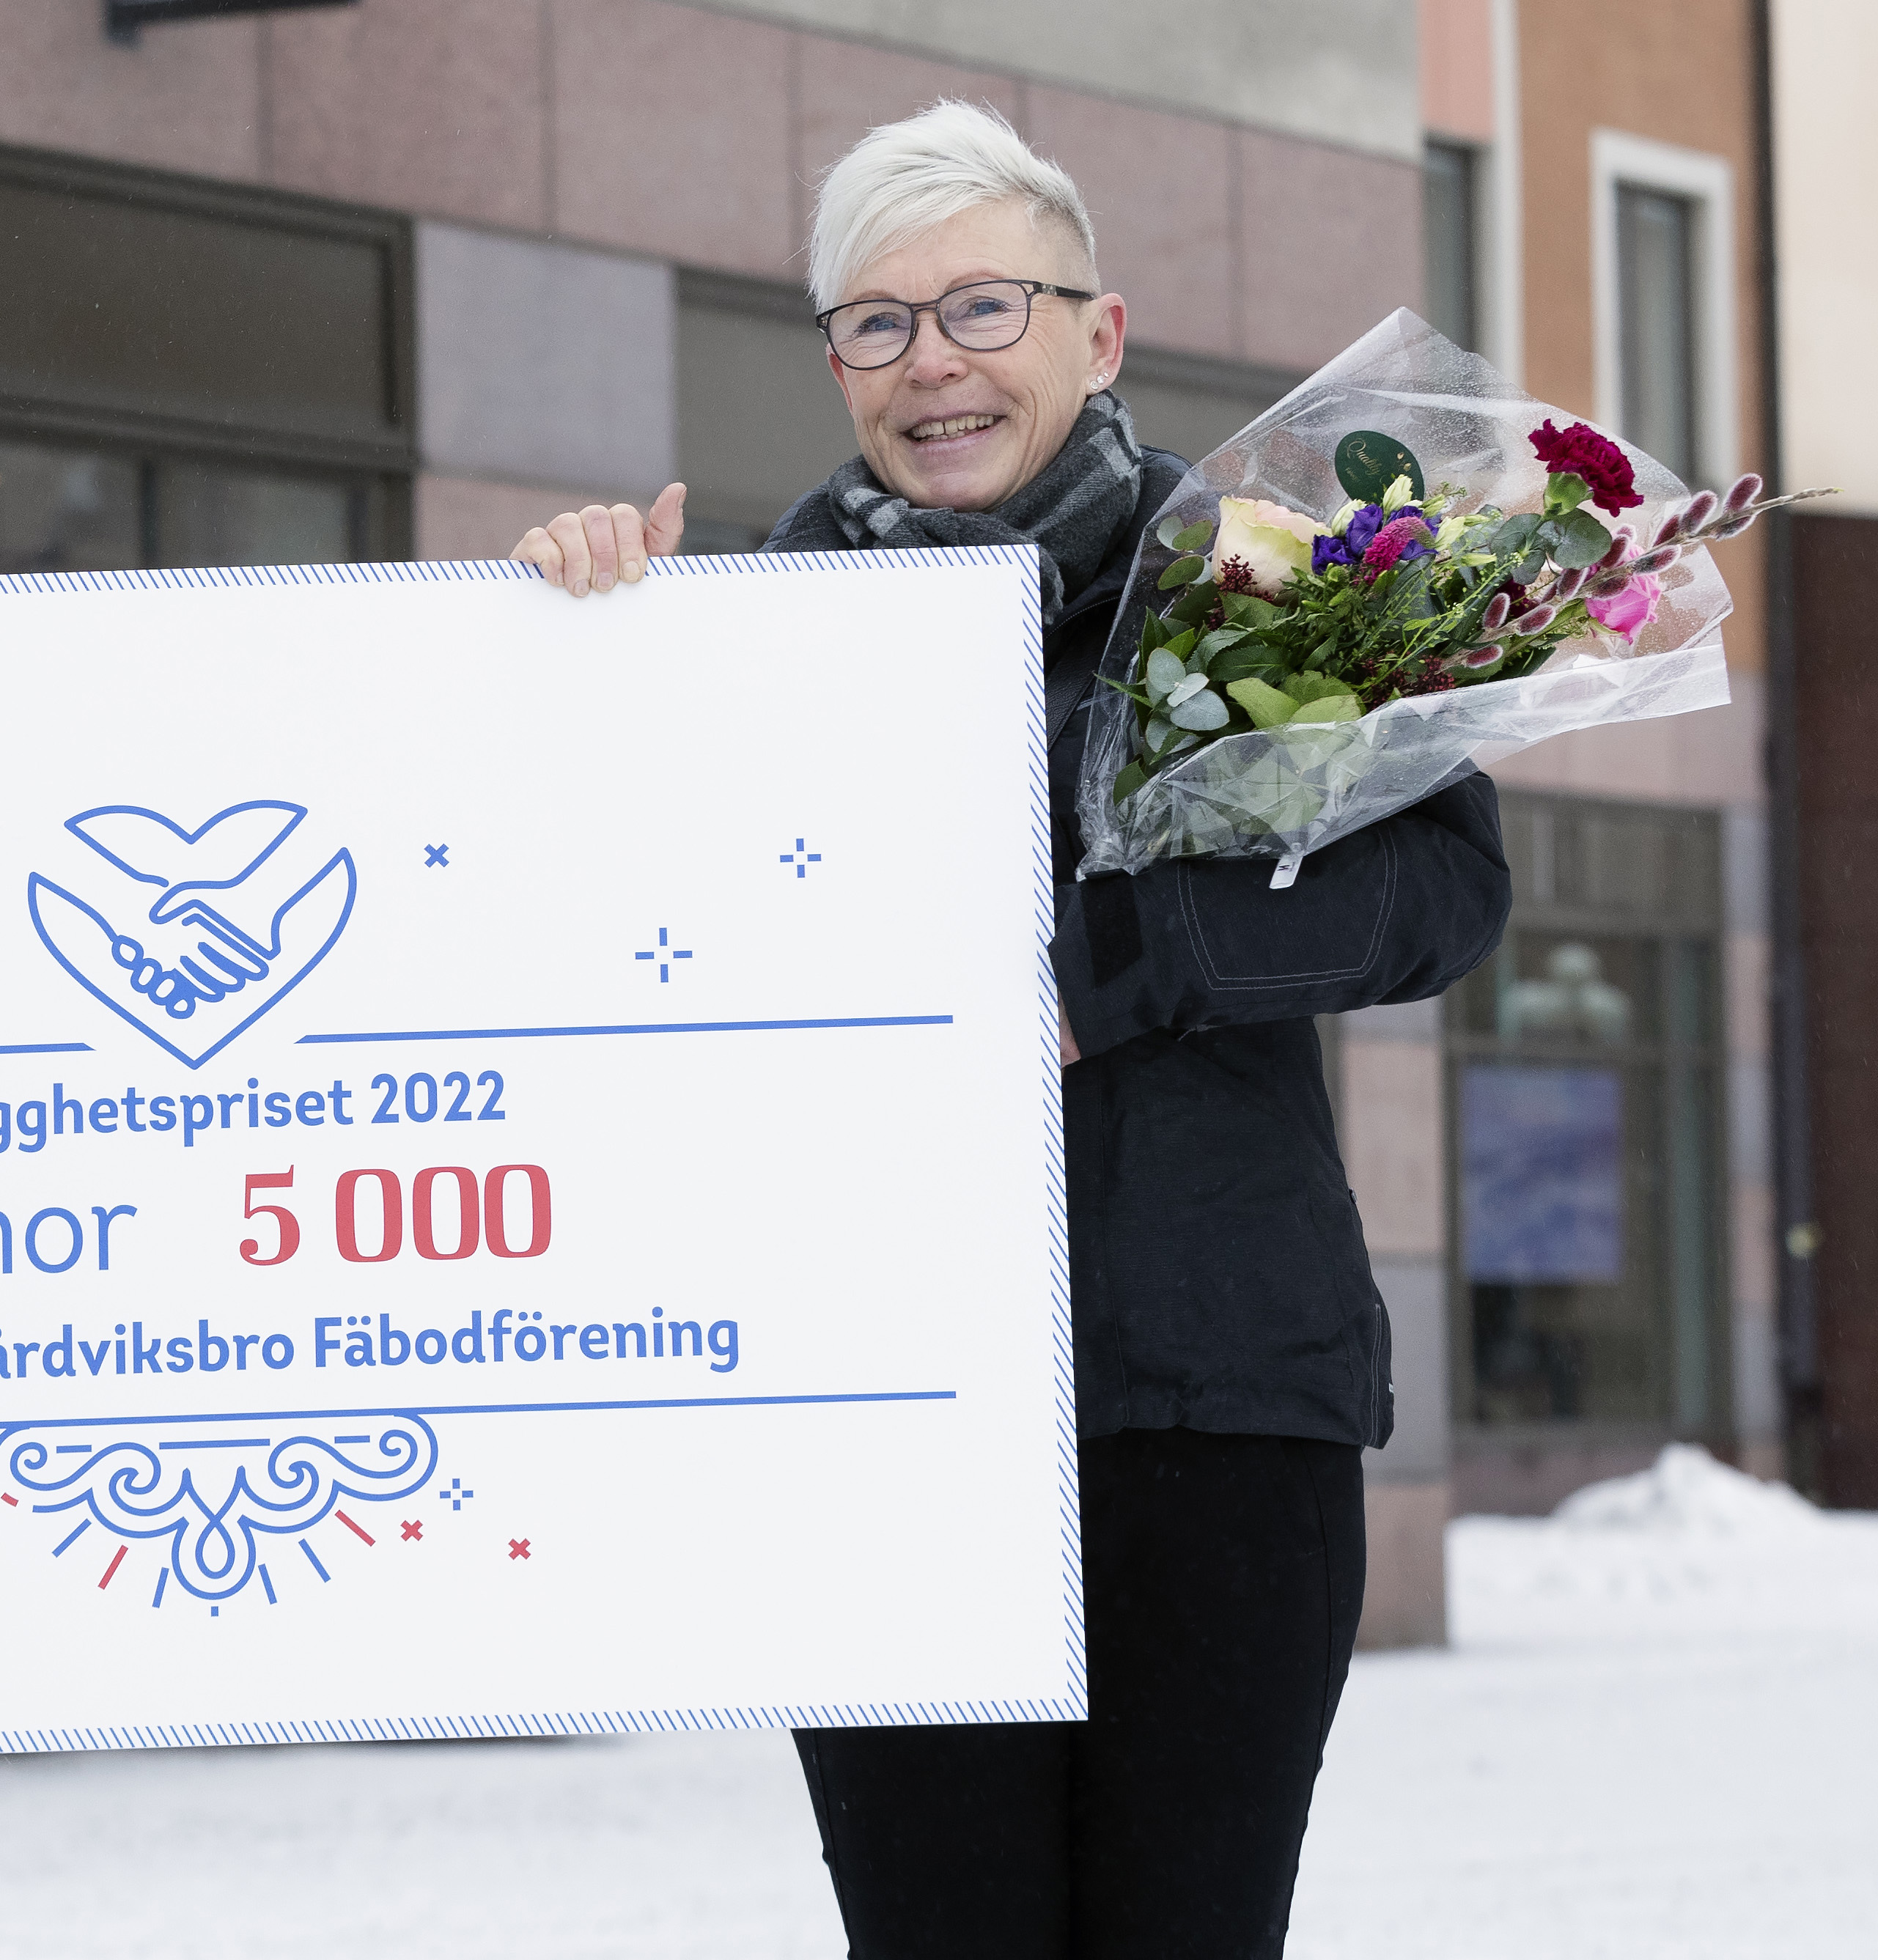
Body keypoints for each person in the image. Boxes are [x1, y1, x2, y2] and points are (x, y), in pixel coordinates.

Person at [517, 102, 1511, 1958]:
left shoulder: (1260, 586)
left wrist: (1107, 961)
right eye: (878, 322)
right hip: (882, 1428)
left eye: (983, 306)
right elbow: (600, 940)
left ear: (1097, 333)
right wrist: (578, 647)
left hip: (1214, 1408)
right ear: (835, 364)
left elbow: (1443, 892)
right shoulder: (743, 636)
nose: (934, 361)